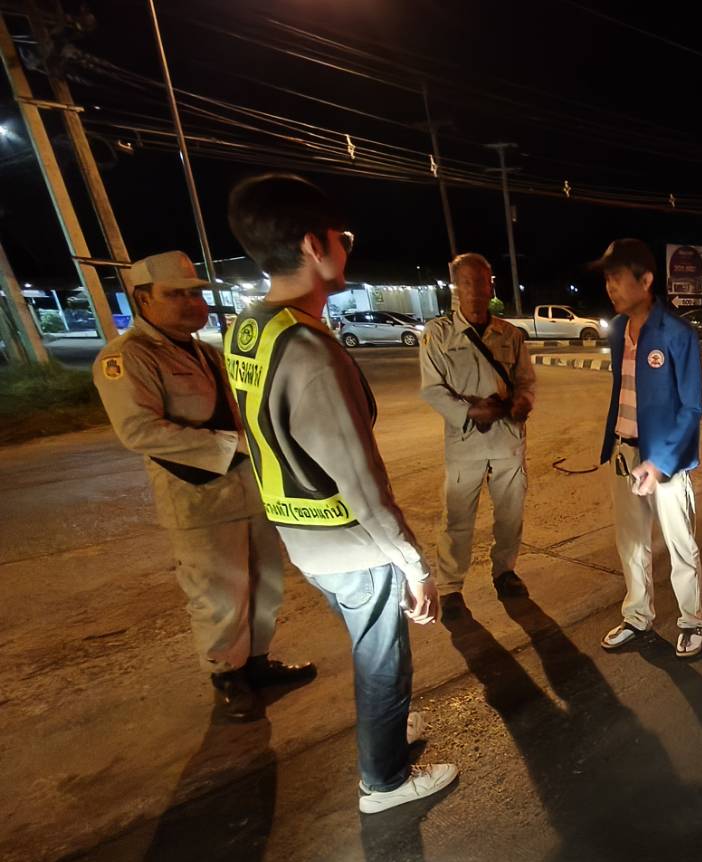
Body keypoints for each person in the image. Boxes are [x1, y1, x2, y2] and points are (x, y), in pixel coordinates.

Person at [224, 173, 456, 814]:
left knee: (371, 650)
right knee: (383, 660)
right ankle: (384, 781)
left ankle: (389, 728)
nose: (346, 248)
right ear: (312, 245)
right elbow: (363, 487)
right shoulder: (311, 352)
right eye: (341, 237)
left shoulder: (251, 327)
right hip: (350, 543)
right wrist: (416, 567)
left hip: (299, 533)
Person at [92, 250, 314, 721]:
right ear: (142, 299)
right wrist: (234, 445)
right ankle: (227, 676)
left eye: (195, 294)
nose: (193, 304)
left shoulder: (207, 351)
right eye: (176, 295)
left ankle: (257, 662)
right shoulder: (127, 357)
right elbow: (139, 431)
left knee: (266, 584)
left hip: (250, 492)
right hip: (197, 501)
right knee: (217, 596)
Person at [596, 238, 702, 658]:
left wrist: (659, 463)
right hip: (624, 454)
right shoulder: (618, 330)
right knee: (631, 544)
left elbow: (692, 407)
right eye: (607, 279)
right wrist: (615, 444)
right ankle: (637, 616)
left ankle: (692, 621)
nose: (611, 287)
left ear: (645, 281)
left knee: (680, 546)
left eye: (618, 278)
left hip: (666, 463)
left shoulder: (678, 334)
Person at [418, 253, 535, 610]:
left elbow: (526, 380)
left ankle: (505, 572)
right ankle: (451, 587)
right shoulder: (438, 334)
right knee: (457, 519)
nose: (474, 290)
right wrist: (469, 411)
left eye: (481, 282)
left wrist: (523, 401)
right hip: (465, 442)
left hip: (507, 441)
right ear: (456, 287)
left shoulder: (509, 334)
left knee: (510, 515)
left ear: (490, 285)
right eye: (466, 283)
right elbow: (432, 389)